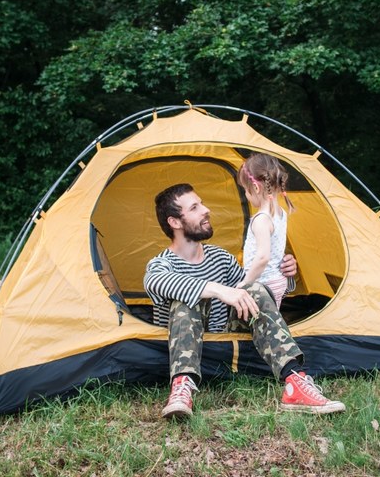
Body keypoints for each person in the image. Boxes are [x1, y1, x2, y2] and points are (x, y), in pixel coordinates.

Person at [144, 182, 346, 419]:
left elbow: (254, 292)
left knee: (254, 289)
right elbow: (154, 281)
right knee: (186, 300)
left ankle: (295, 382)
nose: (206, 210)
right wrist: (219, 290)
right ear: (175, 222)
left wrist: (284, 276)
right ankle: (181, 387)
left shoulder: (220, 258)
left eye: (203, 204)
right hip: (183, 350)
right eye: (195, 207)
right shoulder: (161, 264)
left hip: (224, 341)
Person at [236, 153, 294, 308]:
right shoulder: (280, 213)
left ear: (255, 187)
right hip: (278, 281)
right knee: (271, 320)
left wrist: (245, 283)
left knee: (260, 325)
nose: (246, 195)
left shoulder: (261, 219)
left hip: (263, 283)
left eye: (245, 191)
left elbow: (263, 257)